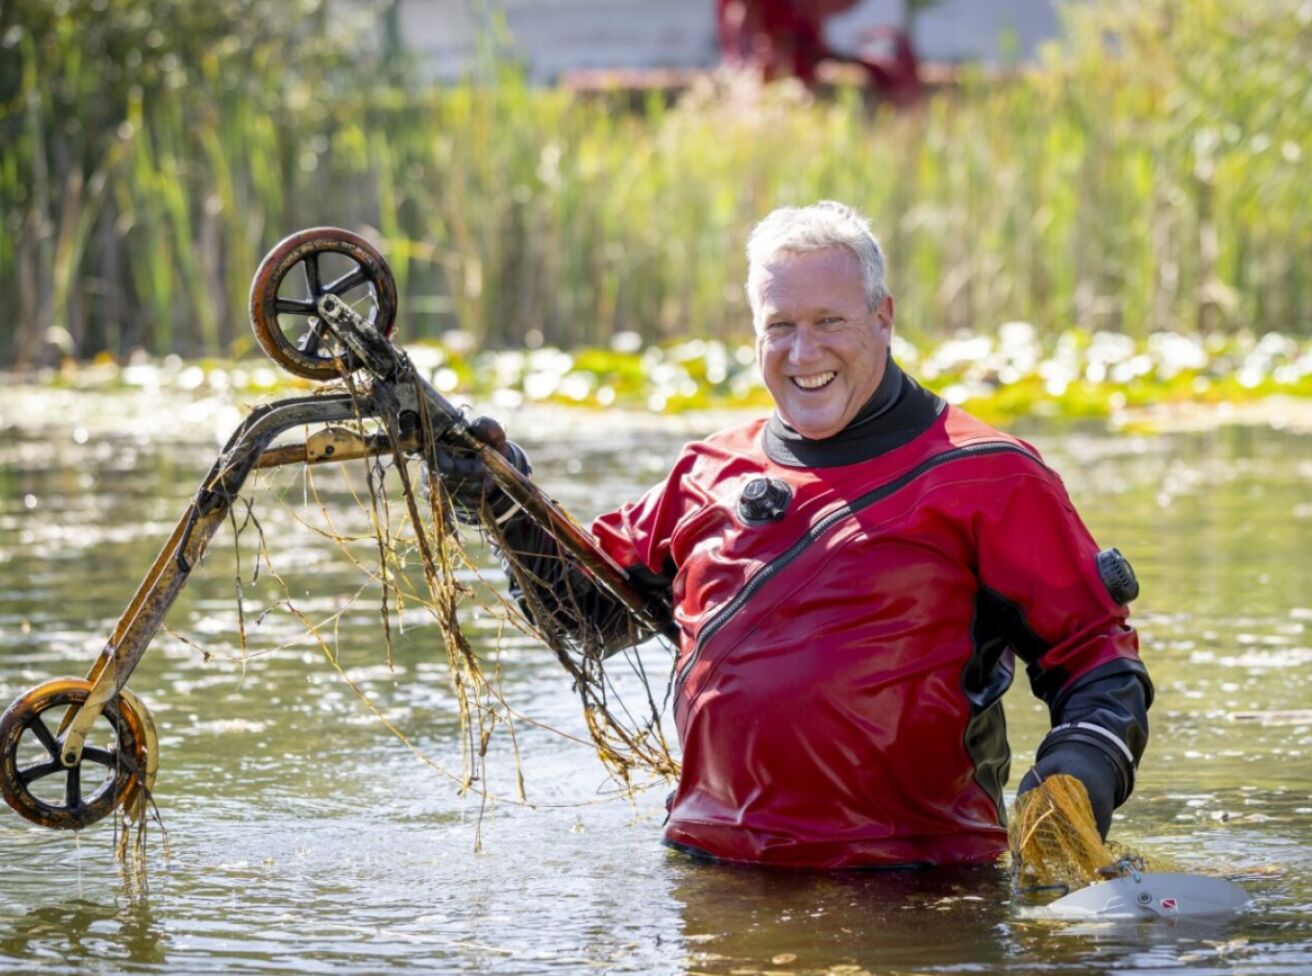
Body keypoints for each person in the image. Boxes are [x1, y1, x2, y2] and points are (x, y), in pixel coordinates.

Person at [437, 201, 1152, 869]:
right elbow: (580, 615)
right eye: (780, 326)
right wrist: (502, 502)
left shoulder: (989, 477)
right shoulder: (704, 473)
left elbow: (1098, 663)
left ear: (883, 318)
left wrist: (1072, 784)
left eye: (830, 322)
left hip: (918, 893)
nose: (803, 353)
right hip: (713, 882)